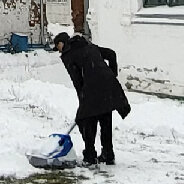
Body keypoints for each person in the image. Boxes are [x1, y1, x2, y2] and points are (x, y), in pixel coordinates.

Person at [51, 28, 131, 165]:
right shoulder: (88, 46)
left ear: (62, 44)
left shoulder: (69, 55)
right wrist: (111, 75)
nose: (58, 51)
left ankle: (90, 155)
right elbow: (111, 54)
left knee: (86, 120)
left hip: (93, 89)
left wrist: (83, 99)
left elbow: (77, 80)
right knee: (105, 120)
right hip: (108, 88)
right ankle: (108, 154)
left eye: (58, 47)